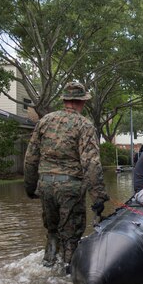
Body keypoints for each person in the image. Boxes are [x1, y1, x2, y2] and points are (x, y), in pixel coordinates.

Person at [24, 81, 108, 269]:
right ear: (82, 102)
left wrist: (30, 187)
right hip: (70, 187)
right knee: (70, 237)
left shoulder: (44, 121)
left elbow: (30, 158)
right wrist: (99, 197)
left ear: (65, 100)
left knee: (52, 231)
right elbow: (91, 163)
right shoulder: (84, 125)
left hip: (45, 185)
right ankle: (67, 278)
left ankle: (48, 265)